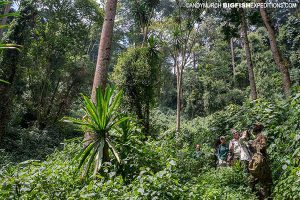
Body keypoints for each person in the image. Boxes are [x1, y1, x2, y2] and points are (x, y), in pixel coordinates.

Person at [249, 123, 272, 199]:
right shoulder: (256, 137)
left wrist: (255, 145)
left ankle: (266, 196)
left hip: (262, 161)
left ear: (258, 128)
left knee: (264, 180)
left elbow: (263, 146)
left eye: (255, 126)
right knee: (253, 178)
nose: (253, 128)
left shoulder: (261, 136)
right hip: (256, 160)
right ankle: (256, 195)